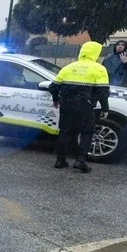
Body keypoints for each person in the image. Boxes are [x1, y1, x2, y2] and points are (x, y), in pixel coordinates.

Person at [49, 41, 110, 173]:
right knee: (87, 132)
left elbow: (53, 86)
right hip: (85, 106)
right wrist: (104, 108)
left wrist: (56, 99)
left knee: (64, 131)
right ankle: (80, 160)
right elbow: (103, 92)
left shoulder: (69, 67)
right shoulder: (99, 68)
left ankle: (60, 160)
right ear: (95, 54)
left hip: (66, 104)